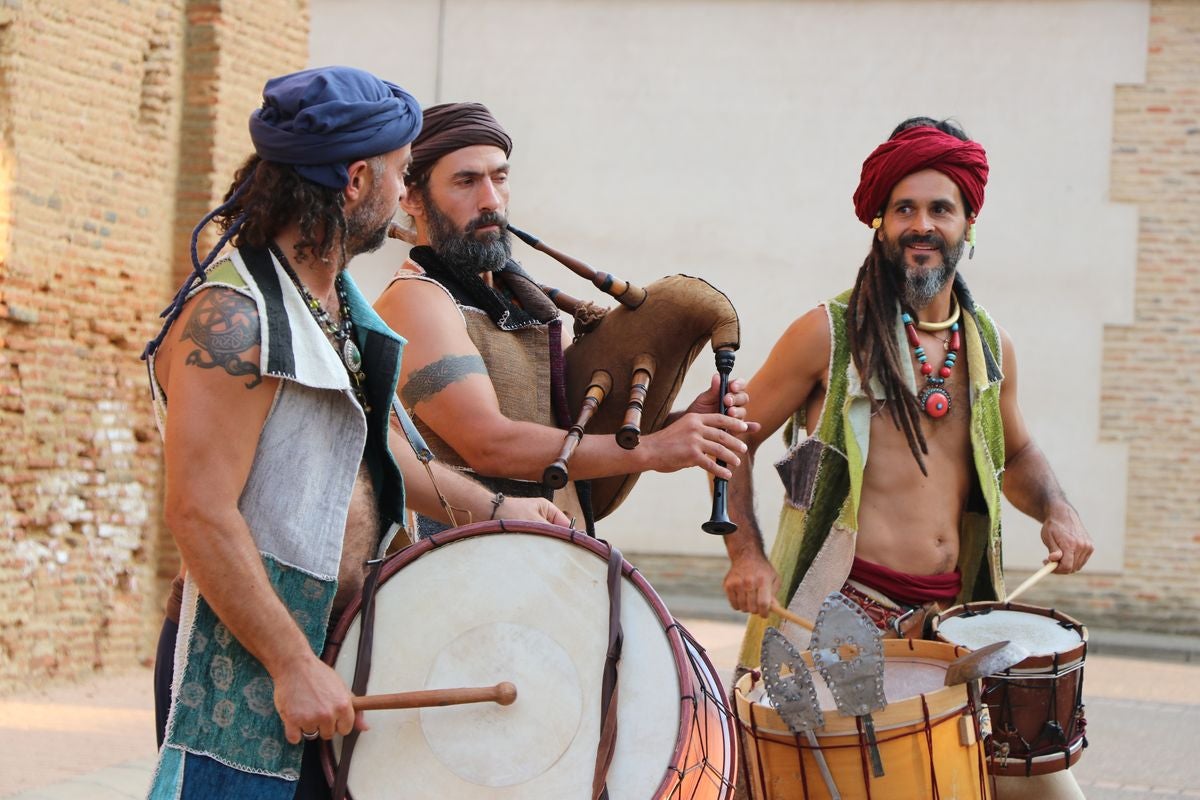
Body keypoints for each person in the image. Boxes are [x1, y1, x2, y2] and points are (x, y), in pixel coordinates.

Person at [143, 67, 566, 800]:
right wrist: (290, 664)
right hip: (256, 660)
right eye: (403, 177)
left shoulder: (331, 302)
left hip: (342, 647)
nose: (406, 198)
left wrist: (500, 511)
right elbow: (199, 512)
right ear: (355, 179)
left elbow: (375, 453)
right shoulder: (237, 320)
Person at [721, 118, 1094, 798]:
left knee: (1047, 789)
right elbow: (732, 439)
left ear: (967, 225)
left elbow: (1019, 453)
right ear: (880, 224)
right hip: (837, 615)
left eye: (940, 209)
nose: (922, 225)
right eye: (905, 209)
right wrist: (746, 555)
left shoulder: (988, 346)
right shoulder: (827, 336)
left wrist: (1059, 509)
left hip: (953, 625)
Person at [373, 102, 752, 535]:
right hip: (460, 563)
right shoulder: (418, 300)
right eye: (466, 181)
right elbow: (488, 444)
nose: (491, 200)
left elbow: (566, 433)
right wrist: (651, 449)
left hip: (549, 553)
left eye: (500, 177)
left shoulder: (519, 301)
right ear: (412, 196)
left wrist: (680, 425)